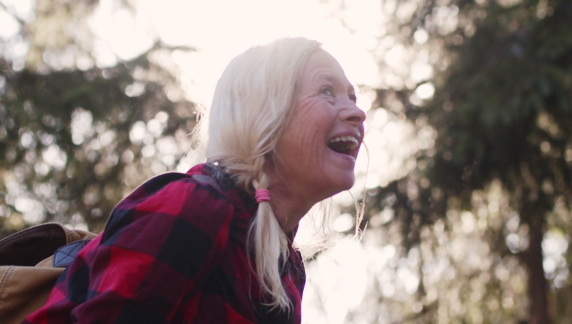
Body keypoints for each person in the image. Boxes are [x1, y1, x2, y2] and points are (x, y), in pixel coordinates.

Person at [23, 37, 366, 323]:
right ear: (263, 115)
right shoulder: (196, 207)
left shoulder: (287, 268)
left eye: (352, 97)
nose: (357, 112)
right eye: (325, 91)